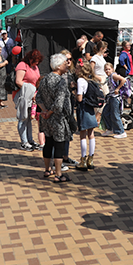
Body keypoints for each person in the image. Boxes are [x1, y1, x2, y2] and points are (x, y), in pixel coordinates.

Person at [36, 53, 75, 182]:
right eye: (65, 63)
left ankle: (47, 169)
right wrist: (50, 112)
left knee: (48, 143)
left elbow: (38, 97)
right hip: (58, 118)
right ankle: (59, 174)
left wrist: (44, 111)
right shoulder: (60, 81)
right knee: (59, 145)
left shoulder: (45, 78)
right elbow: (59, 103)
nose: (67, 65)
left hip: (46, 118)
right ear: (58, 66)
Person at [75, 61, 103, 168]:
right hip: (91, 108)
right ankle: (91, 159)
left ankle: (83, 160)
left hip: (83, 108)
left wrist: (75, 91)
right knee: (91, 134)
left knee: (82, 134)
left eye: (77, 68)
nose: (75, 70)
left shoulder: (80, 80)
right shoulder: (91, 80)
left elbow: (80, 98)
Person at [14, 49, 42, 150]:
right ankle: (24, 142)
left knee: (29, 119)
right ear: (30, 58)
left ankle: (30, 140)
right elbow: (18, 81)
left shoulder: (35, 67)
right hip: (23, 95)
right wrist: (31, 89)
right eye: (35, 60)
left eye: (38, 61)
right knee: (23, 118)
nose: (36, 63)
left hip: (32, 95)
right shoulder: (22, 65)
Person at [100, 62, 128, 142]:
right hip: (111, 97)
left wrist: (118, 89)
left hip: (115, 98)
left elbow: (123, 79)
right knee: (105, 112)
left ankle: (121, 131)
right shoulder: (109, 77)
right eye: (106, 69)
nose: (107, 71)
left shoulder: (113, 75)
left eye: (109, 69)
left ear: (112, 69)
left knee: (115, 114)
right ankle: (110, 128)